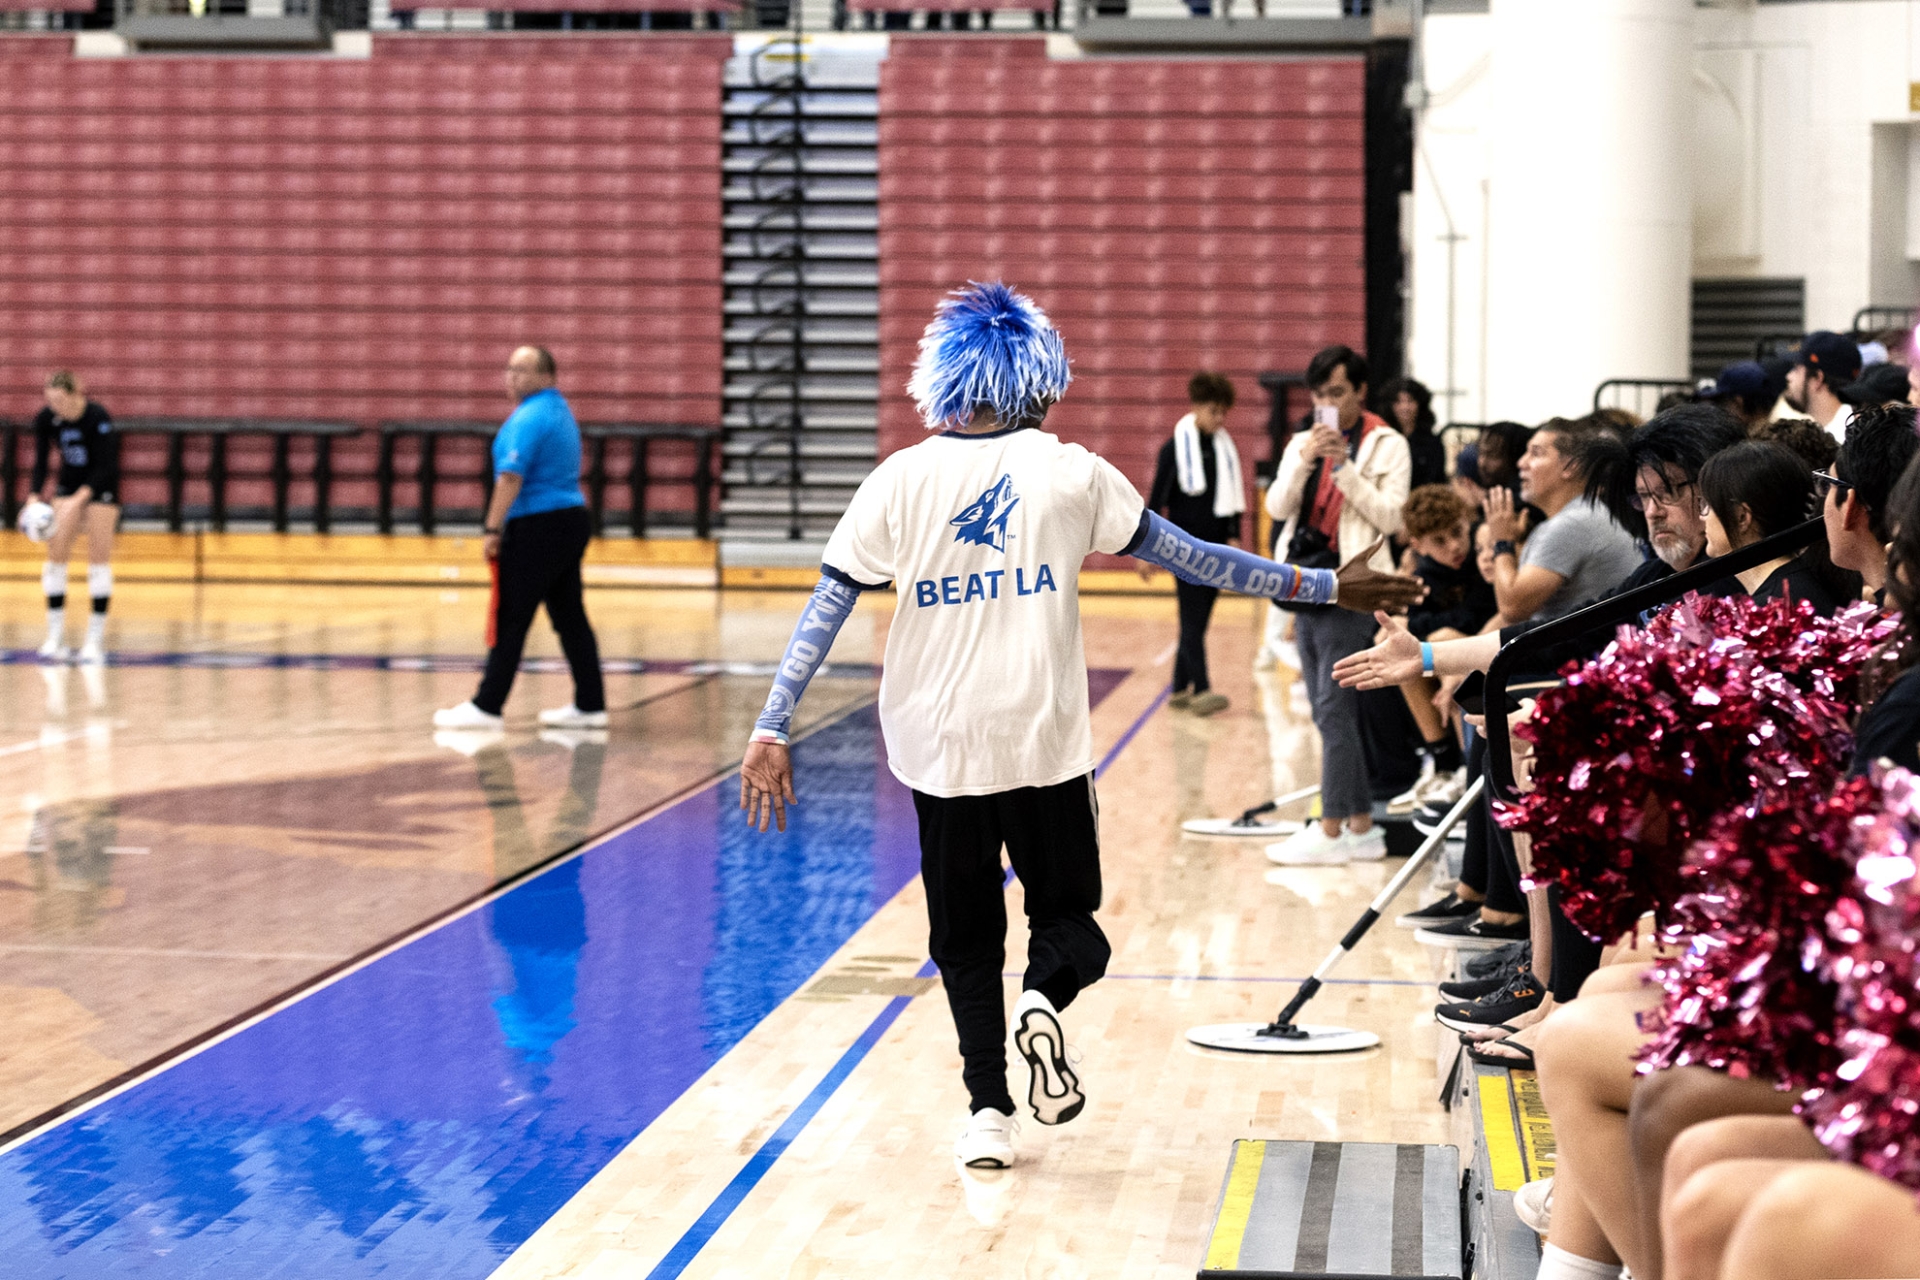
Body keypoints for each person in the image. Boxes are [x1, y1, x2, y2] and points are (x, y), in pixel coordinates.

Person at [734, 283, 1420, 1170]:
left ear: (947, 382)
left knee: (963, 939)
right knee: (1072, 926)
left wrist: (771, 724)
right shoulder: (1071, 472)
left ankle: (987, 1112)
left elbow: (827, 605)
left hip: (939, 752)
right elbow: (1202, 560)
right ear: (1038, 380)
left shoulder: (896, 480)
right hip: (1041, 743)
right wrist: (1328, 586)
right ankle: (1044, 1004)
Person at [1264, 344, 1413, 866]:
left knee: (1332, 706)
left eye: (1337, 392)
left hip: (1353, 584)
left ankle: (1333, 829)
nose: (1327, 402)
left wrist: (1345, 469)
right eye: (1320, 393)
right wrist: (1307, 460)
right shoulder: (1304, 439)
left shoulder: (1387, 444)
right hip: (1304, 581)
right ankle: (1359, 826)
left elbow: (1393, 519)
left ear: (1361, 391)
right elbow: (1277, 506)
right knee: (1329, 709)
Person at [434, 346, 607, 731]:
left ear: (548, 376)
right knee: (569, 616)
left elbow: (510, 477)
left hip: (538, 526)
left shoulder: (532, 416)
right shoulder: (557, 410)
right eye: (510, 369)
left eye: (524, 370)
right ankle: (591, 704)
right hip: (568, 521)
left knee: (511, 614)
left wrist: (492, 528)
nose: (513, 377)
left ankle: (487, 705)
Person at [1146, 372, 1245, 717]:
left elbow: (1231, 498)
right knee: (1191, 620)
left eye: (1223, 413)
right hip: (1184, 548)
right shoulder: (1173, 449)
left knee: (1198, 621)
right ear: (1197, 407)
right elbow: (1156, 500)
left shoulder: (1224, 449)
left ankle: (1178, 689)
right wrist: (1145, 551)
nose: (1220, 420)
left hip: (1216, 548)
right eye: (1214, 412)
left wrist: (1233, 533)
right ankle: (1202, 689)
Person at [1484, 417, 1643, 624]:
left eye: (1536, 453)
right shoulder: (1578, 516)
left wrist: (1502, 542)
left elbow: (1512, 609)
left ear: (1570, 466)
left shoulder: (1573, 524)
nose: (1521, 462)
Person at [1697, 439, 1854, 614]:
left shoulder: (1779, 606)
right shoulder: (1791, 586)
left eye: (1707, 506)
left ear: (1742, 517)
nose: (1702, 517)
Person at [29, 370, 120, 665]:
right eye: (50, 401)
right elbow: (41, 462)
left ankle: (94, 640)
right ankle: (54, 637)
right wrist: (33, 497)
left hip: (101, 487)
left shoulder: (97, 417)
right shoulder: (47, 419)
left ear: (75, 394)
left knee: (98, 559)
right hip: (68, 483)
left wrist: (79, 500)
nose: (55, 407)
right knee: (55, 555)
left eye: (59, 400)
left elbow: (106, 465)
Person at [1784, 330, 1860, 443]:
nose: (1788, 376)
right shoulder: (1842, 430)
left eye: (1796, 369)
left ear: (1818, 378)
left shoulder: (1842, 439)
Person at [1380, 376, 1447, 490]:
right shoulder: (1384, 438)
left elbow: (1435, 480)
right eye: (1398, 402)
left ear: (1420, 404)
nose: (1405, 407)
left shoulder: (1432, 442)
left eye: (1410, 401)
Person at [1694, 360, 1777, 431]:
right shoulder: (1783, 432)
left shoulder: (1751, 443)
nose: (1722, 410)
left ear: (1738, 402)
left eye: (1723, 402)